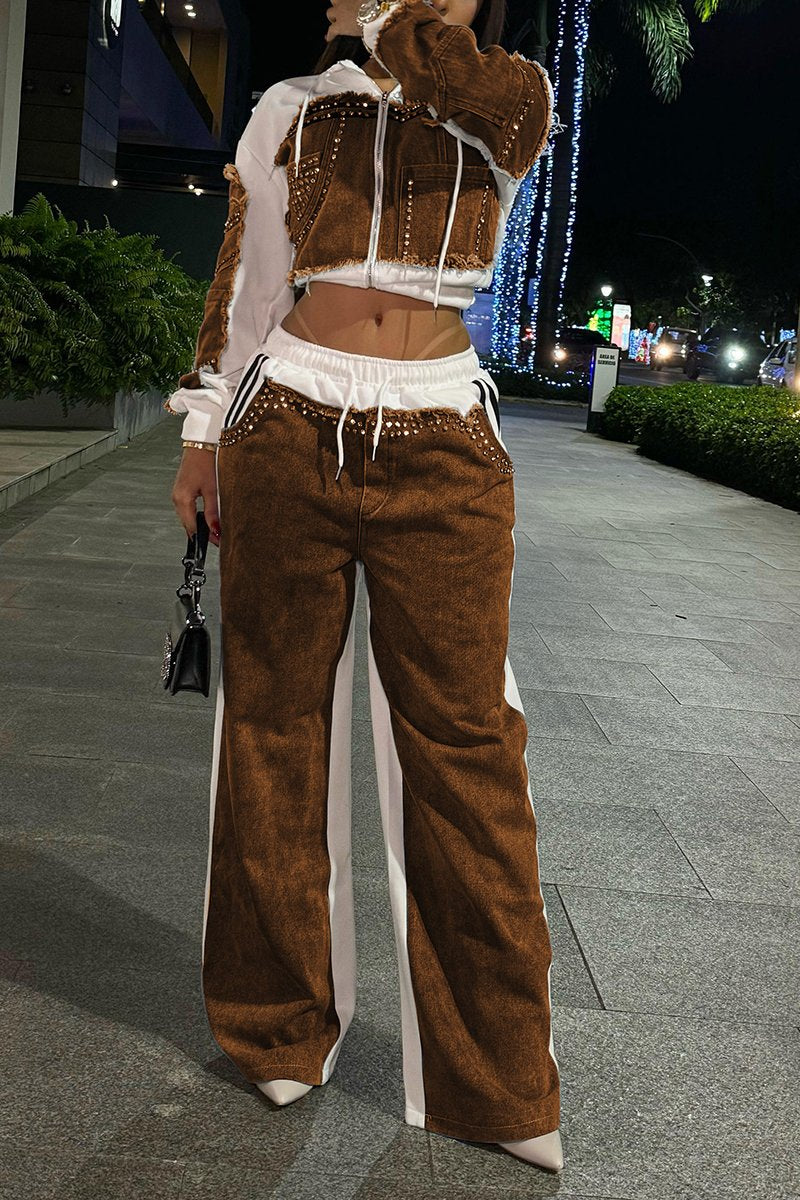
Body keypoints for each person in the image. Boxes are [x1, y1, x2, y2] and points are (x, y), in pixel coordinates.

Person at [167, 0, 563, 1174]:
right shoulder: (293, 109)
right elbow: (249, 280)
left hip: (443, 438)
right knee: (272, 724)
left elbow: (460, 89)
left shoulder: (511, 94)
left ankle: (498, 1081)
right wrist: (203, 434)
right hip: (287, 416)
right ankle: (275, 1024)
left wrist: (392, 20)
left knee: (465, 743)